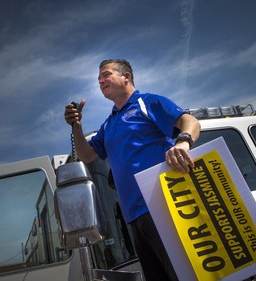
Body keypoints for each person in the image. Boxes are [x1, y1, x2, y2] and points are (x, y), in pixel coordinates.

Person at [64, 59, 200, 281]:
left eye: (106, 75)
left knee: (183, 275)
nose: (100, 80)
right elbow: (87, 155)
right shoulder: (108, 125)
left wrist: (183, 142)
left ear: (125, 77)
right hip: (133, 217)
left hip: (163, 206)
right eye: (99, 78)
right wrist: (76, 128)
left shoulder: (148, 103)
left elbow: (190, 121)